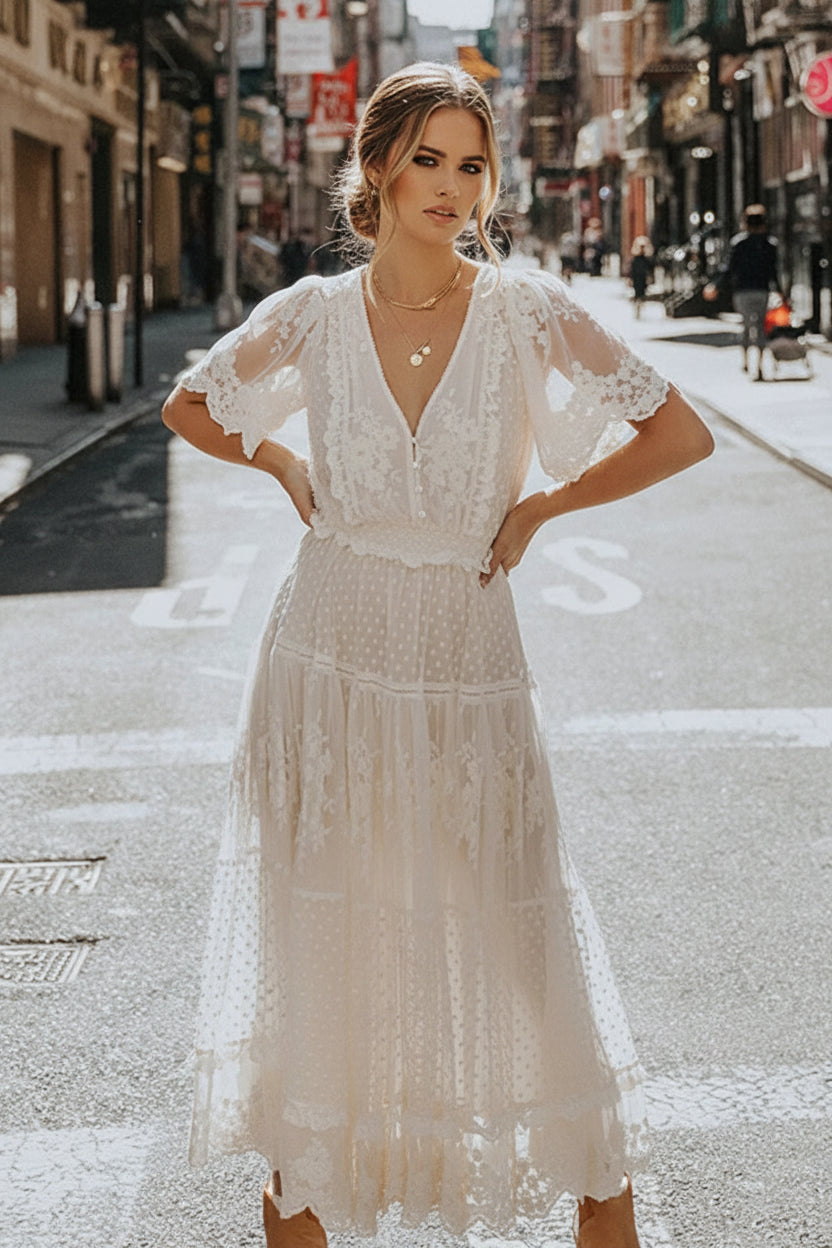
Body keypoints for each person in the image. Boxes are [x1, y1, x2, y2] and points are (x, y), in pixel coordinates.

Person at [162, 62, 713, 1248]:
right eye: (429, 159)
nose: (453, 188)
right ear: (375, 167)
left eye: (471, 164)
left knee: (522, 936)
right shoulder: (310, 312)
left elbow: (679, 429)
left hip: (466, 665)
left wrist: (541, 510)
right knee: (325, 957)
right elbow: (190, 407)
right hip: (327, 665)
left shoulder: (524, 311)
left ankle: (601, 1204)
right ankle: (302, 1205)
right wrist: (284, 465)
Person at [703, 203, 781, 381]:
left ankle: (746, 361)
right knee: (760, 328)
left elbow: (727, 268)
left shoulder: (738, 243)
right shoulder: (770, 244)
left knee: (746, 326)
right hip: (762, 291)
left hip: (742, 291)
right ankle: (760, 366)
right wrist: (780, 292)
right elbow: (774, 272)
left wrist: (714, 284)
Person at [629, 236, 654, 319]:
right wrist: (630, 279)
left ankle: (639, 306)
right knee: (638, 293)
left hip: (643, 278)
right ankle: (637, 308)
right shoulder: (635, 260)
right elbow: (632, 271)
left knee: (642, 294)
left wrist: (650, 278)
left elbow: (649, 269)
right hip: (637, 278)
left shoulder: (646, 260)